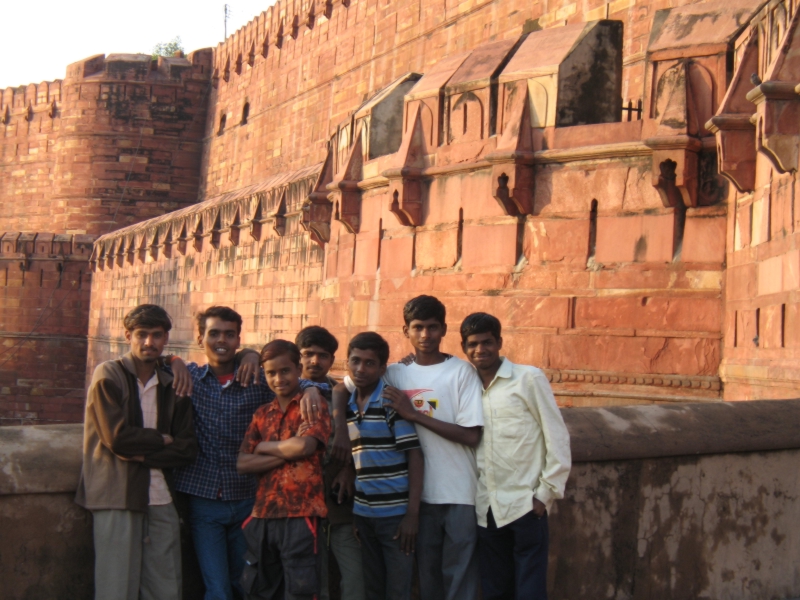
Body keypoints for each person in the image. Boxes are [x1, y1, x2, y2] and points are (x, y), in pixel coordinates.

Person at [329, 295, 484, 600]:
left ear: (443, 330)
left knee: (459, 578)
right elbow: (340, 389)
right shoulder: (396, 373)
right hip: (417, 498)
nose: (425, 335)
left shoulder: (461, 372)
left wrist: (414, 414)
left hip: (459, 491)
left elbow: (471, 436)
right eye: (418, 327)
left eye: (432, 327)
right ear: (406, 331)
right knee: (426, 579)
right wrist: (340, 434)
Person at [169, 307, 324, 600]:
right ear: (200, 337)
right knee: (217, 589)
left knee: (248, 585)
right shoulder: (190, 378)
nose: (221, 340)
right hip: (203, 499)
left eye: (229, 334)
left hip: (247, 500)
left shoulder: (255, 381)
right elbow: (150, 358)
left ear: (239, 339)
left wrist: (312, 388)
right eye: (214, 333)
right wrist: (173, 358)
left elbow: (288, 379)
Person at [75, 304, 198, 600]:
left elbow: (187, 447)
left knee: (166, 586)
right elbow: (117, 439)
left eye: (157, 335)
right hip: (117, 492)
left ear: (166, 339)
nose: (149, 342)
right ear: (128, 335)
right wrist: (161, 440)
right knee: (116, 586)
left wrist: (144, 454)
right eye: (142, 335)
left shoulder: (172, 382)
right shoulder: (109, 375)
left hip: (161, 494)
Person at [460, 312, 571, 600]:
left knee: (529, 591)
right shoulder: (466, 385)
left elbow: (556, 436)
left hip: (525, 505)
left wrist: (544, 494)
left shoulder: (528, 378)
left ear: (499, 342)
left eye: (487, 342)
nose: (480, 350)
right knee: (496, 590)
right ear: (464, 348)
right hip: (486, 509)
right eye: (473, 344)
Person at [237, 340, 331, 600]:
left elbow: (304, 446)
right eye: (271, 373)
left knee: (300, 591)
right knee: (260, 589)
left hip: (301, 513)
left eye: (285, 371)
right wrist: (285, 452)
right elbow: (243, 463)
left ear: (298, 369)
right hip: (263, 514)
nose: (279, 378)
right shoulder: (261, 414)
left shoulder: (312, 405)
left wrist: (263, 447)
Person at [341, 332, 423, 600]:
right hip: (364, 514)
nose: (360, 369)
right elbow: (360, 459)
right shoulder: (350, 406)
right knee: (373, 587)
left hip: (396, 517)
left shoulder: (391, 403)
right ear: (347, 362)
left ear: (382, 368)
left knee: (397, 589)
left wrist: (412, 514)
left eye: (369, 363)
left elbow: (414, 455)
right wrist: (358, 514)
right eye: (355, 361)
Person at [295, 326, 365, 600]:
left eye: (323, 355)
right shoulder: (282, 390)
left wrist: (348, 468)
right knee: (312, 577)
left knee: (354, 575)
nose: (315, 361)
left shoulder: (345, 394)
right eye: (308, 354)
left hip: (340, 500)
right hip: (299, 503)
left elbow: (363, 435)